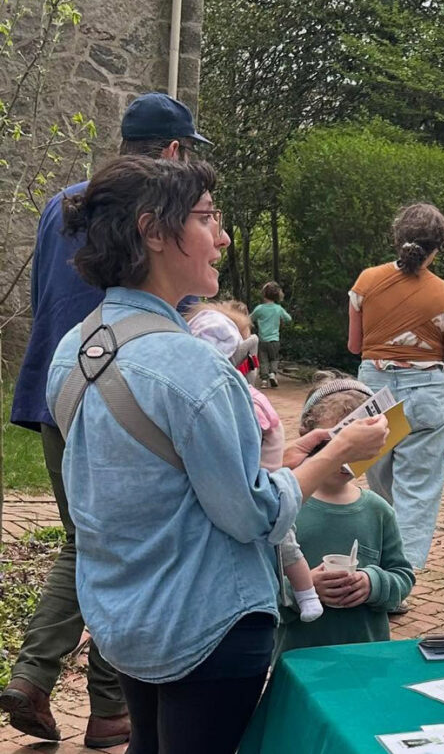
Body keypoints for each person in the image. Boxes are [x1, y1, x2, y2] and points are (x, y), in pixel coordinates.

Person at [44, 155, 389, 754]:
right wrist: (342, 453)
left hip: (126, 620)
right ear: (153, 232)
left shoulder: (76, 348)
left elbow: (159, 479)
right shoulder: (198, 370)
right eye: (207, 218)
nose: (222, 236)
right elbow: (254, 514)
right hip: (208, 626)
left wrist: (291, 458)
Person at [2, 91, 211, 748]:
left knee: (94, 538)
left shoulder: (62, 201)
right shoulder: (155, 209)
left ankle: (74, 692)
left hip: (54, 384)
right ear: (174, 151)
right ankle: (80, 693)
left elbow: (45, 299)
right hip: (117, 388)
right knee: (120, 543)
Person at [348, 203, 444, 575]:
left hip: (374, 388)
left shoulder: (365, 282)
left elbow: (356, 346)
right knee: (416, 491)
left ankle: (380, 567)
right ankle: (399, 578)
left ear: (397, 239)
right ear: (438, 248)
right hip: (427, 392)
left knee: (381, 482)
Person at [186, 303, 323, 622]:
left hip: (257, 488)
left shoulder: (235, 399)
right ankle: (301, 595)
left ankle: (301, 596)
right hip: (260, 490)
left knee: (284, 545)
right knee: (285, 544)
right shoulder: (239, 398)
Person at [276, 374, 415, 656]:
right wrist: (303, 589)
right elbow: (260, 589)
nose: (345, 458)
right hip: (299, 659)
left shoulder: (378, 510)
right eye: (335, 443)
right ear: (308, 437)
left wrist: (372, 583)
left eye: (357, 446)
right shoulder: (285, 507)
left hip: (367, 659)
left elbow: (402, 576)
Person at [251, 281, 292, 388]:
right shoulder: (278, 309)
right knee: (274, 359)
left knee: (263, 360)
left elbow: (250, 319)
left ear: (264, 294)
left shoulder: (259, 308)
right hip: (274, 340)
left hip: (262, 340)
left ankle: (264, 381)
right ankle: (273, 374)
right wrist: (280, 320)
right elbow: (288, 318)